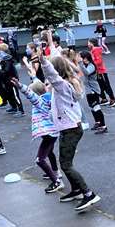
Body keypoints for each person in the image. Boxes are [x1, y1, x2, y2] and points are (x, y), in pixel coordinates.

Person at [38, 33, 100, 211]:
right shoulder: (67, 82)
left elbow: (52, 74)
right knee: (65, 161)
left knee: (66, 164)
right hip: (69, 128)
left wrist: (43, 61)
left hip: (71, 129)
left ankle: (89, 194)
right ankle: (77, 190)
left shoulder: (62, 85)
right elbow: (57, 68)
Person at [13, 74, 63, 194]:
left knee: (39, 160)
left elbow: (29, 94)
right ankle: (56, 172)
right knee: (50, 153)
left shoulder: (39, 102)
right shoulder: (50, 98)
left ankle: (56, 182)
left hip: (47, 134)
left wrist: (20, 86)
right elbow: (37, 83)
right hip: (52, 133)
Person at [79, 50, 107, 134]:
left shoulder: (91, 65)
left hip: (93, 90)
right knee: (91, 107)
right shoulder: (84, 65)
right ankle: (98, 122)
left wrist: (80, 63)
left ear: (85, 58)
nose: (79, 59)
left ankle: (103, 126)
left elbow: (87, 73)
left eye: (81, 57)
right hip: (88, 90)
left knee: (96, 107)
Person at [87, 38, 115, 107]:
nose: (87, 44)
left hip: (101, 71)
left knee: (106, 86)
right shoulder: (93, 50)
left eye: (88, 43)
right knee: (100, 86)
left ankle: (112, 99)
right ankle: (104, 99)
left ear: (92, 43)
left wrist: (91, 64)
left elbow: (99, 61)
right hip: (97, 72)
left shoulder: (95, 50)